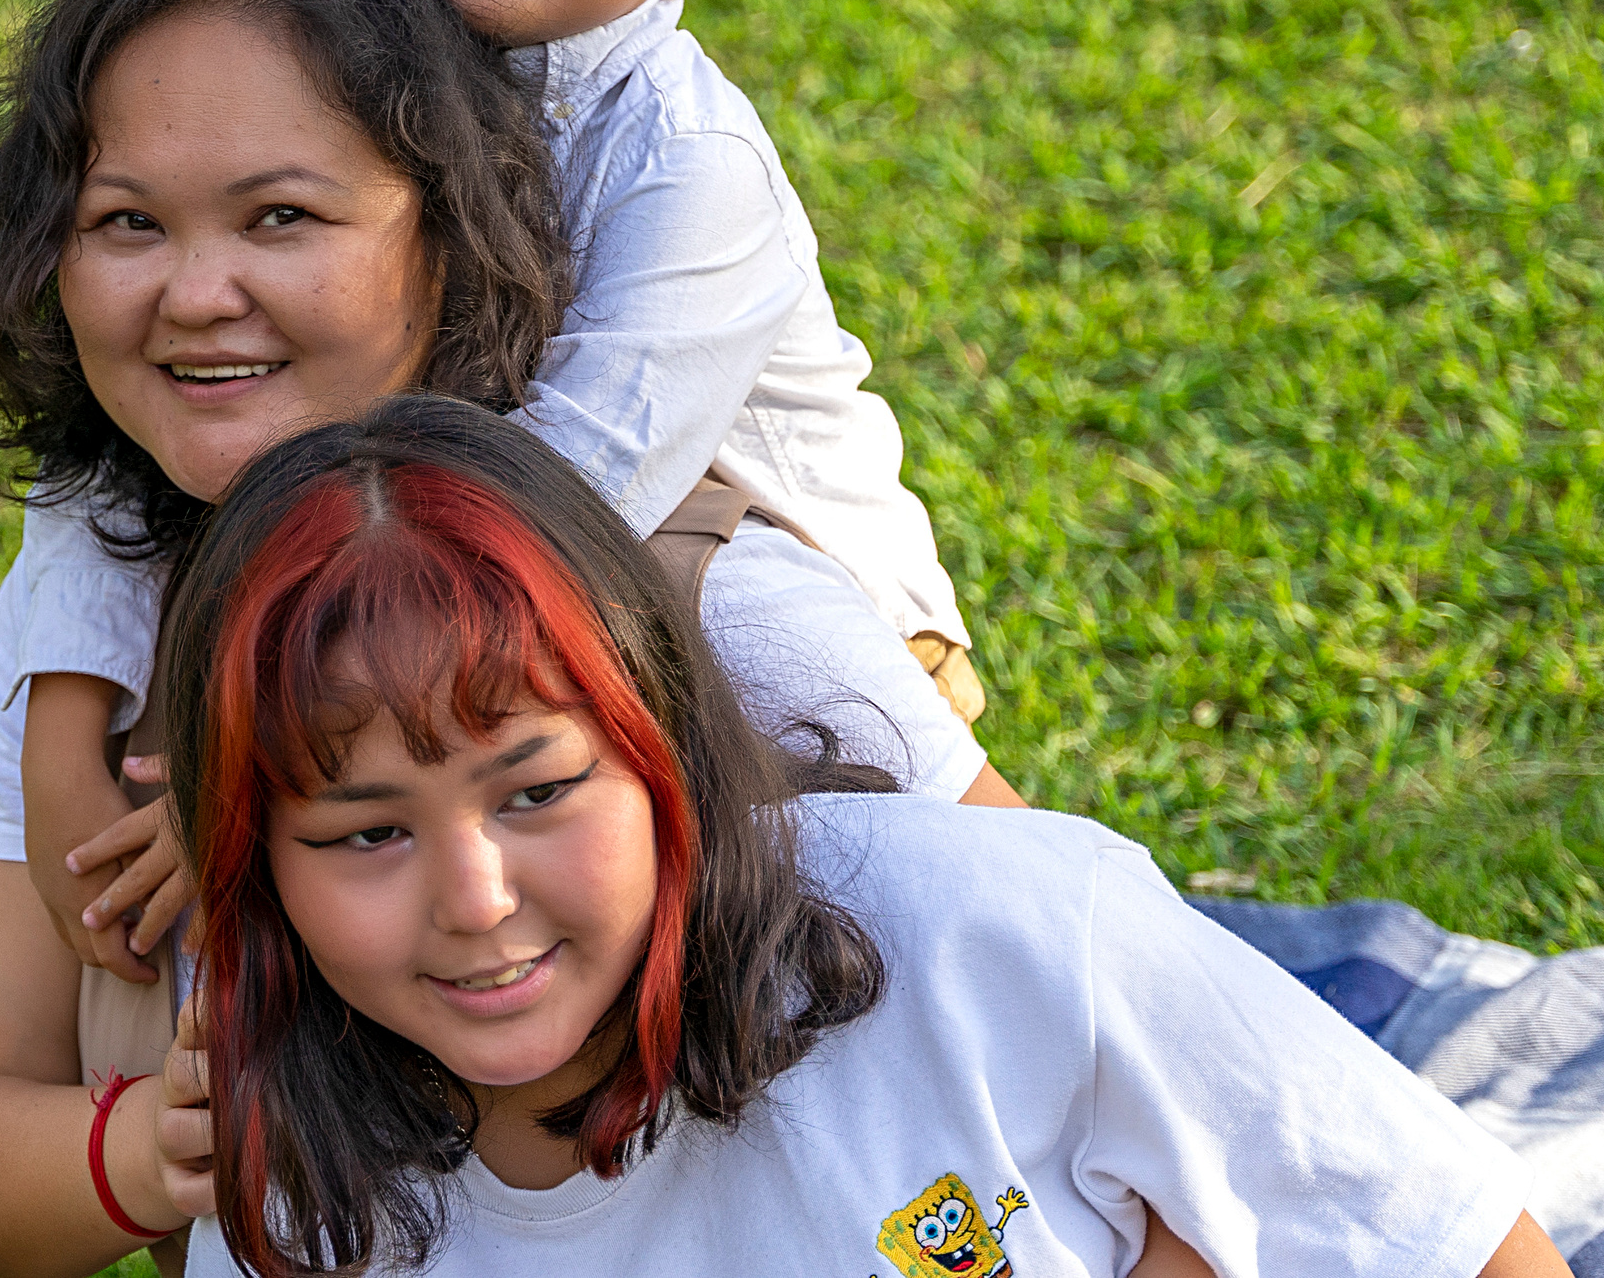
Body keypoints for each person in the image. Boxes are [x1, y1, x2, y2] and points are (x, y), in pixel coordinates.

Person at [0, 0, 1006, 1278]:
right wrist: (165, 1140)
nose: (194, 292)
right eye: (124, 224)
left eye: (282, 216)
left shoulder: (696, 598)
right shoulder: (89, 646)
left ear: (449, 224)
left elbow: (1050, 970)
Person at [0, 0, 1008, 997]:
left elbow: (581, 472)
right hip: (493, 566)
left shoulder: (695, 165)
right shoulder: (350, 70)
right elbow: (110, 433)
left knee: (892, 951)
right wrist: (71, 691)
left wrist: (255, 769)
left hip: (755, 607)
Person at [139, 396, 1569, 1278]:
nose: (475, 897)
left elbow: (1455, 1243)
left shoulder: (1001, 922)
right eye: (367, 833)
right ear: (256, 876)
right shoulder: (305, 1198)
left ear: (664, 755)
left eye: (536, 790)